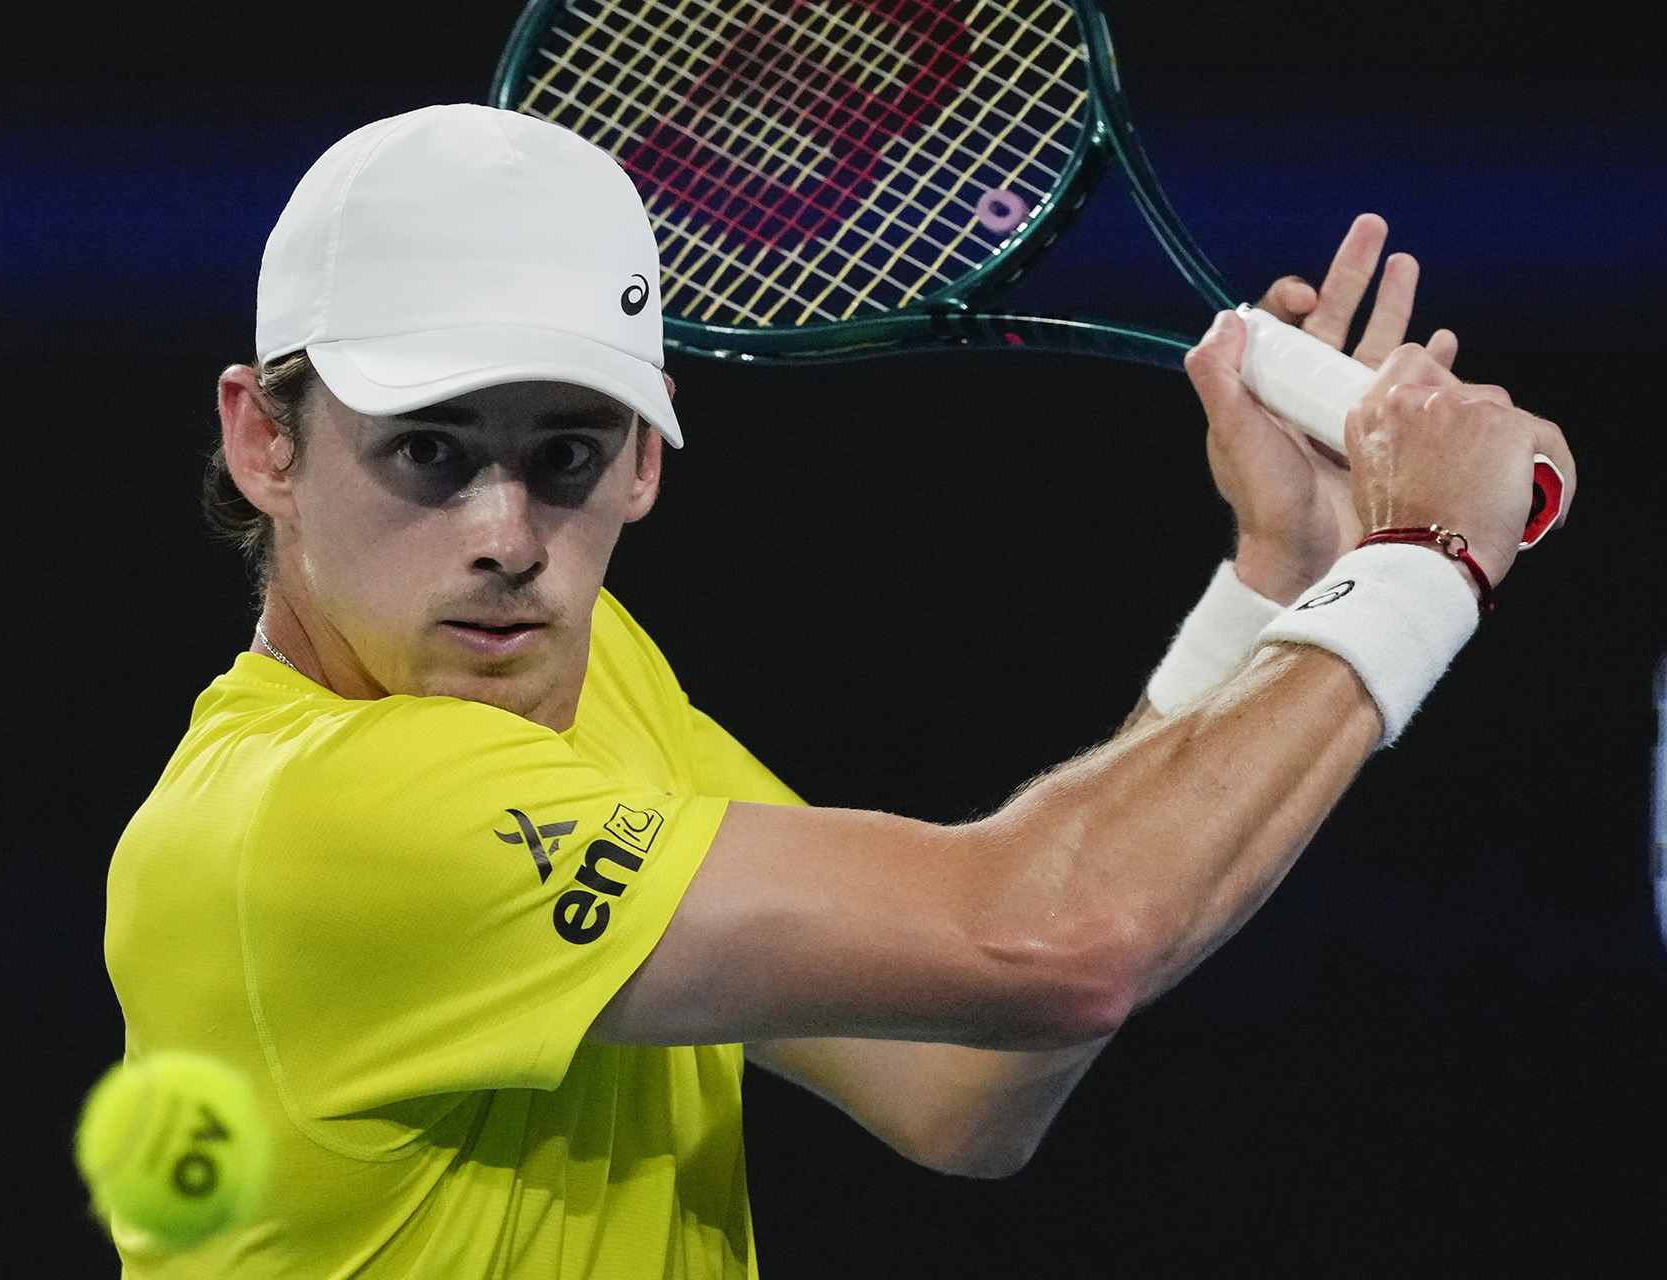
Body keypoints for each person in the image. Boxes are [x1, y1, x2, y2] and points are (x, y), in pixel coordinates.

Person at [101, 103, 1575, 1278]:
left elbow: (959, 1084)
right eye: (427, 450)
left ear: (645, 460)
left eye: (564, 453)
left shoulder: (579, 673)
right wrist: (1427, 556)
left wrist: (1283, 577)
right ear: (263, 443)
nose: (505, 538)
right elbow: (1052, 943)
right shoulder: (310, 823)